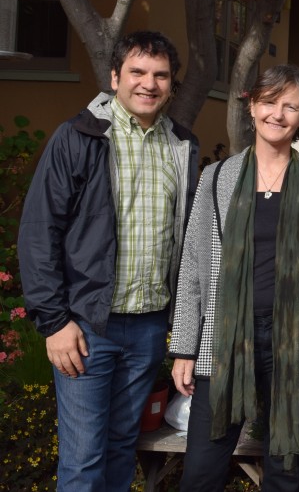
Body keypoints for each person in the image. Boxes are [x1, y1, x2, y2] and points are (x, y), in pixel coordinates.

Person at [18, 31, 198, 492]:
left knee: (122, 447)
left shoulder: (182, 146)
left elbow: (190, 241)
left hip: (148, 329)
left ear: (171, 85)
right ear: (115, 76)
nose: (149, 84)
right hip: (85, 329)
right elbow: (40, 234)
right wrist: (55, 322)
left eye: (160, 75)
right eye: (137, 72)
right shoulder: (78, 137)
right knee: (82, 461)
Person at [169, 65, 299, 491]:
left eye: (291, 106)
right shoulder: (216, 178)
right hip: (225, 336)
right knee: (201, 469)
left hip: (294, 338)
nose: (278, 114)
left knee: (286, 468)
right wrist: (184, 346)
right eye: (269, 102)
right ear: (251, 106)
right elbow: (194, 265)